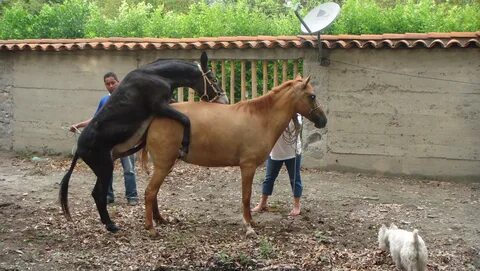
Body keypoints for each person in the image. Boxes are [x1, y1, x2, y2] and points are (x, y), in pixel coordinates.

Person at [70, 72, 139, 206]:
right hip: (108, 142)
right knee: (107, 169)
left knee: (129, 169)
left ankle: (132, 196)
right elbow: (96, 119)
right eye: (108, 84)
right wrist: (78, 125)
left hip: (126, 140)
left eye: (113, 82)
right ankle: (108, 195)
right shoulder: (104, 101)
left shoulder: (128, 98)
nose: (111, 85)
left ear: (118, 82)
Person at [252, 115, 303, 216]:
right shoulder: (275, 112)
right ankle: (263, 203)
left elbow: (297, 126)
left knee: (295, 178)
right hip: (275, 152)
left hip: (293, 152)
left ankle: (297, 205)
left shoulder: (297, 115)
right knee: (269, 178)